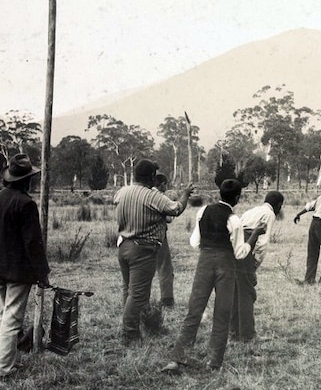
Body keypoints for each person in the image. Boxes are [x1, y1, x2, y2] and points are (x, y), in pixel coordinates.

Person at [161, 179, 266, 373]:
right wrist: (255, 235)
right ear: (237, 198)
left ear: (220, 193)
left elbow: (194, 242)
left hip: (205, 263)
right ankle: (213, 362)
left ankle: (177, 359)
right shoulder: (234, 220)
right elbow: (240, 253)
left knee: (194, 310)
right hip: (225, 267)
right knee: (222, 313)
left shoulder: (203, 211)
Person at [0, 153, 50, 379]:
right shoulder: (26, 203)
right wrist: (42, 274)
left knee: (3, 314)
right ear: (25, 180)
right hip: (19, 271)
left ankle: (5, 362)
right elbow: (33, 244)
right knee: (12, 318)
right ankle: (4, 369)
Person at [114, 159, 195, 346]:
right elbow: (176, 209)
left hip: (123, 245)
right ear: (151, 177)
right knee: (139, 295)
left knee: (128, 289)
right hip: (142, 249)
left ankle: (131, 327)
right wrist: (185, 195)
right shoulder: (152, 196)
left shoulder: (122, 192)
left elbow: (116, 202)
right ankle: (130, 334)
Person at [231, 191, 284, 342]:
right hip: (247, 247)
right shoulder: (269, 214)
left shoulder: (252, 210)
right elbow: (262, 243)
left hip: (234, 246)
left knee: (236, 291)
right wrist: (254, 265)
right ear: (279, 205)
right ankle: (248, 334)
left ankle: (234, 332)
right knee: (247, 293)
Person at [153, 173, 176, 308]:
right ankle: (167, 299)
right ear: (162, 184)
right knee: (165, 268)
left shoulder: (146, 194)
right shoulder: (160, 197)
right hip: (158, 236)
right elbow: (169, 218)